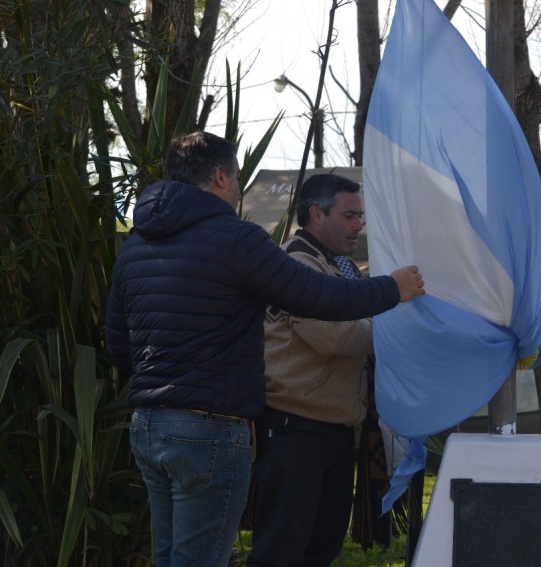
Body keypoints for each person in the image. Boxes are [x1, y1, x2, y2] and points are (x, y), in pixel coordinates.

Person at [105, 132, 425, 567]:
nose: (238, 188)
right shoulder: (236, 239)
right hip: (213, 426)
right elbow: (319, 300)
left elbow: (118, 345)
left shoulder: (135, 244)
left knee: (171, 556)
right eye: (237, 177)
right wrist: (393, 288)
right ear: (220, 176)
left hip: (148, 424)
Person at [247, 173, 378, 566]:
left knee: (320, 549)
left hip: (330, 429)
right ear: (316, 214)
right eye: (350, 215)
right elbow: (337, 335)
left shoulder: (336, 267)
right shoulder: (296, 264)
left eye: (361, 216)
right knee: (282, 550)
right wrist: (395, 325)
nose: (359, 225)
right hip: (296, 430)